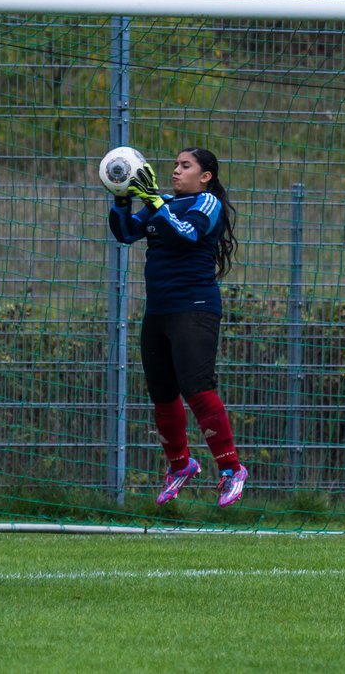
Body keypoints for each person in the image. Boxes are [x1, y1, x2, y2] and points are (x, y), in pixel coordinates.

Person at [109, 147, 249, 507]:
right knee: (162, 394)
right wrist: (122, 198)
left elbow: (187, 233)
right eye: (174, 164)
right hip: (159, 311)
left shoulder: (206, 204)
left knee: (197, 389)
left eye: (185, 166)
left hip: (195, 309)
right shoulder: (165, 204)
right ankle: (180, 465)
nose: (175, 170)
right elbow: (125, 233)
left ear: (205, 177)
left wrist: (156, 201)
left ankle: (231, 469)